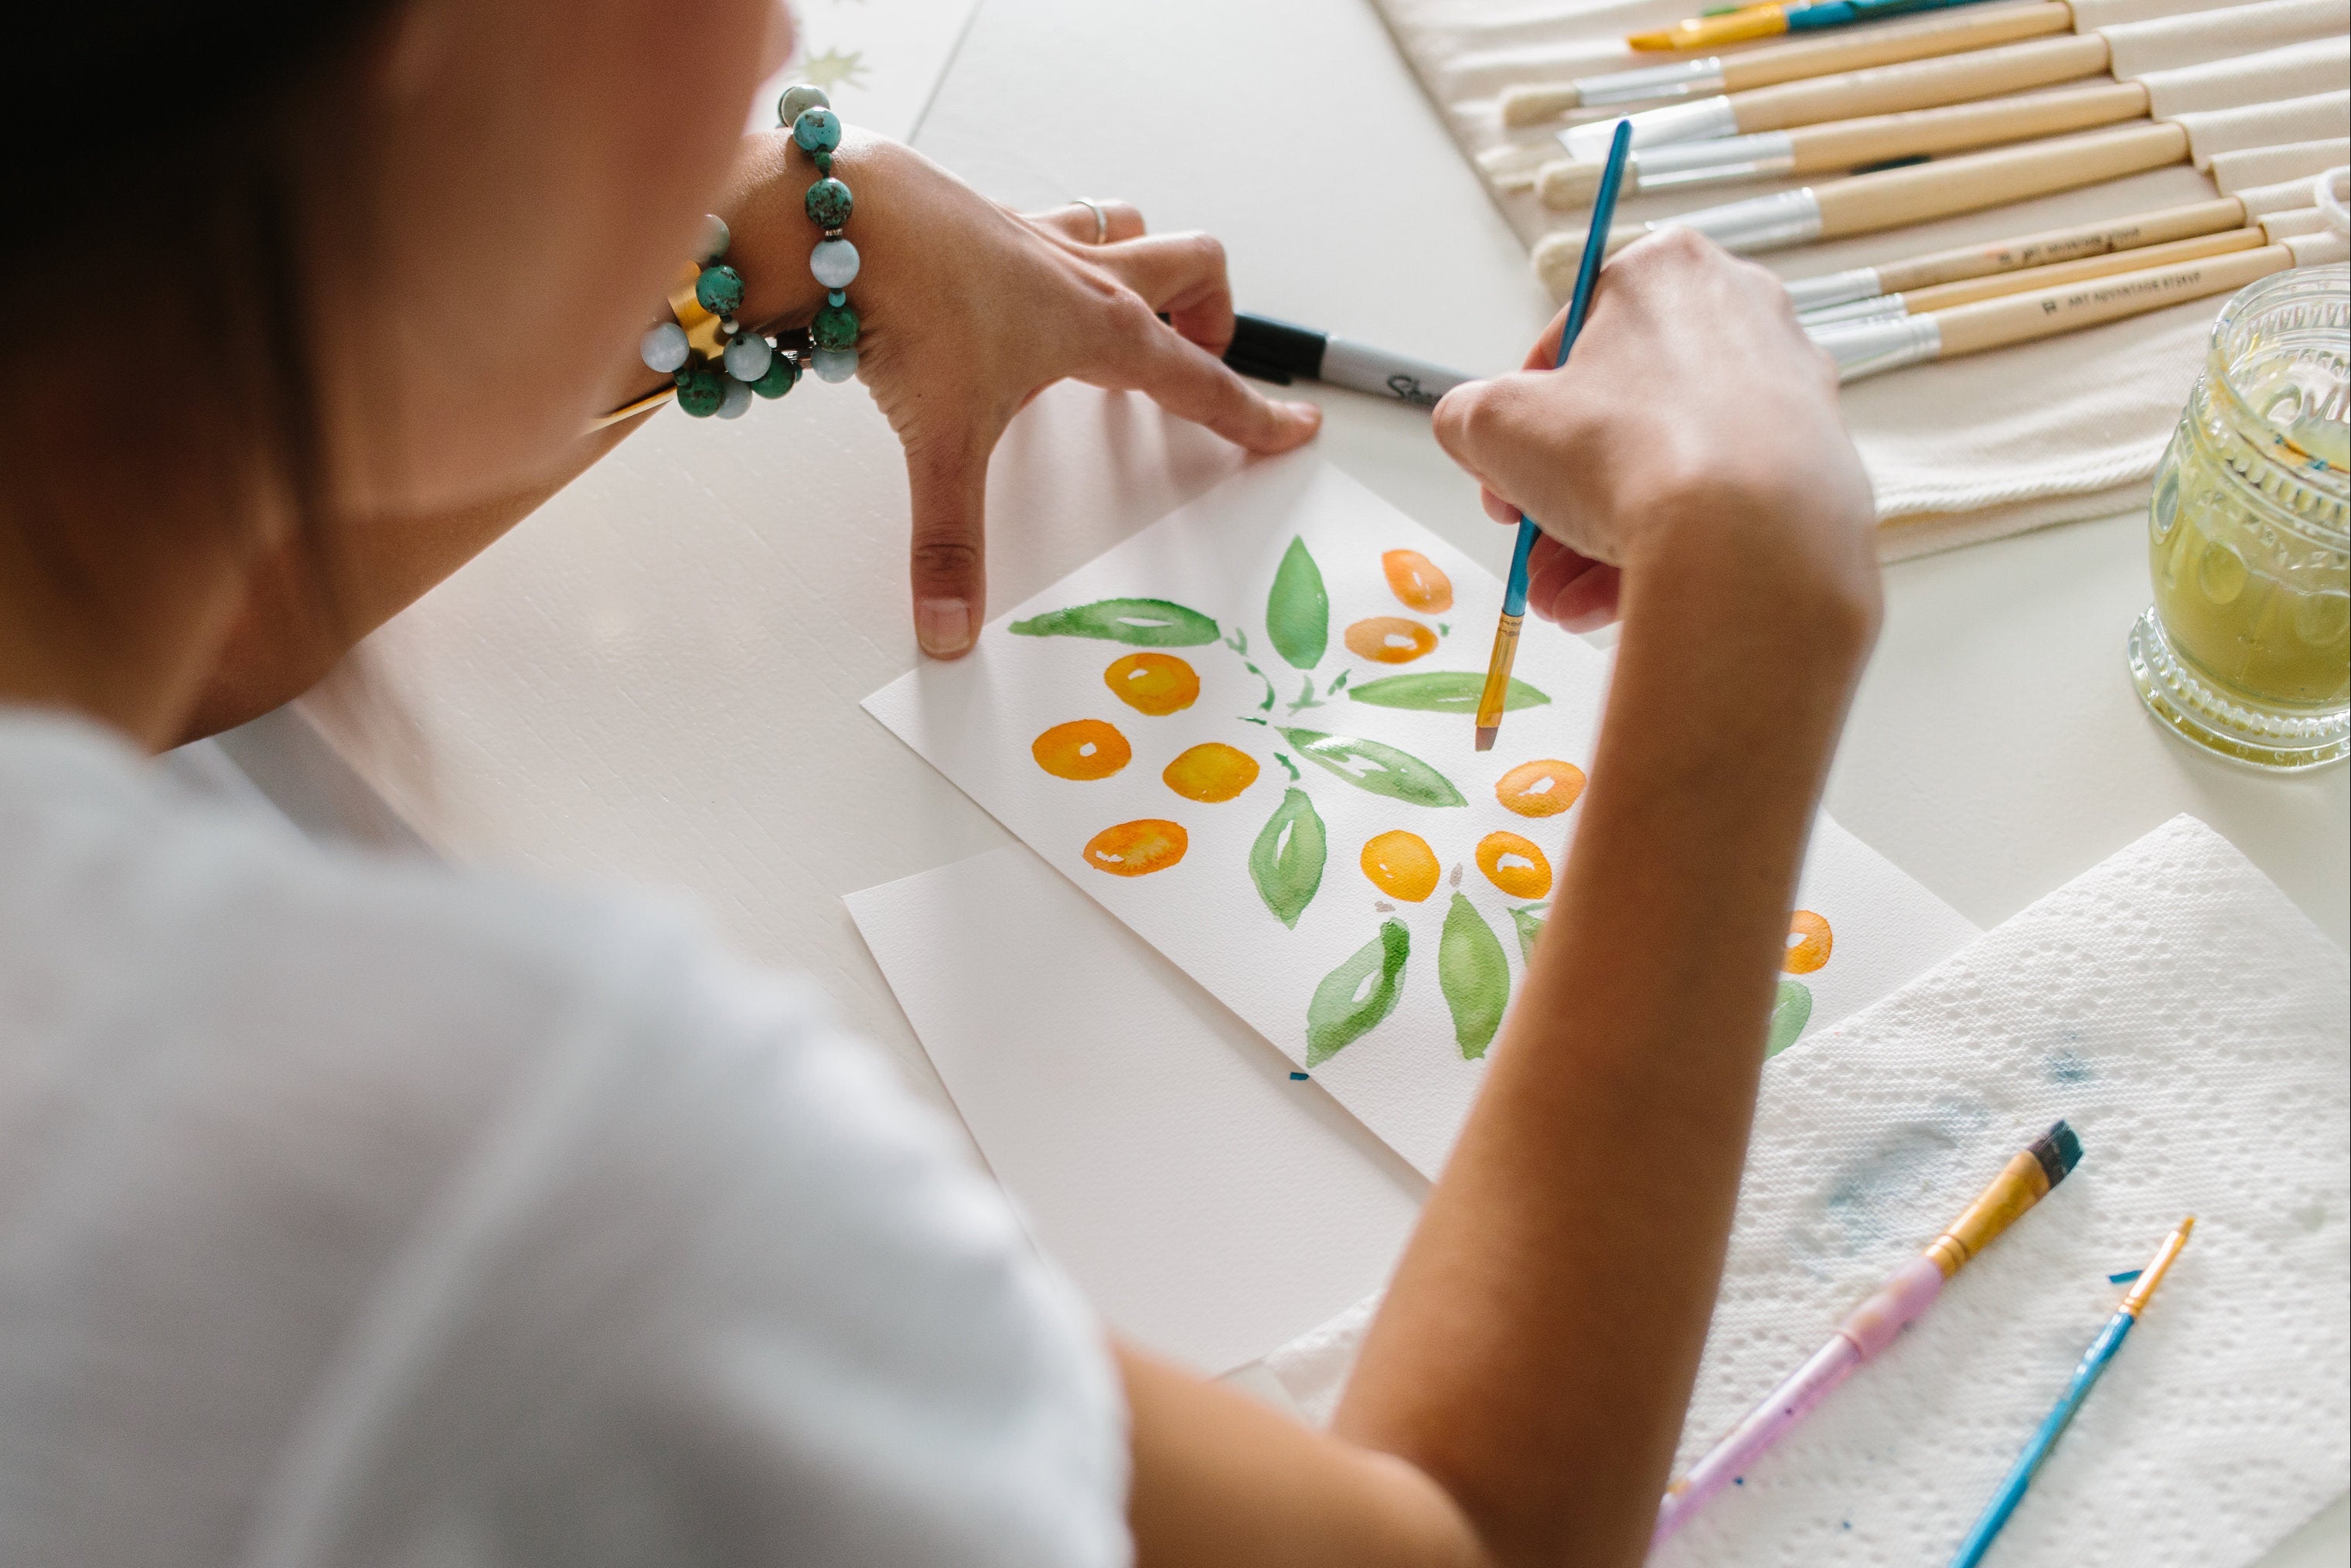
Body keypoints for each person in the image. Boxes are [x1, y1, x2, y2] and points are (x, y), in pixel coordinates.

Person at [0, 2, 1879, 1565]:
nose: (789, 40)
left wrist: (800, 245)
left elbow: (201, 616)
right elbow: (1457, 1539)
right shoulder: (490, 1178)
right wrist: (1752, 595)